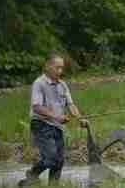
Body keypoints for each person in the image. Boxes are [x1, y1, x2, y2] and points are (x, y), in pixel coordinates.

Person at [18, 53, 88, 187]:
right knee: (50, 159)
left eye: (62, 68)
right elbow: (37, 107)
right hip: (41, 125)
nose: (60, 71)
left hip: (57, 126)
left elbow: (71, 105)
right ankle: (32, 175)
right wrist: (57, 116)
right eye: (57, 68)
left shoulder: (62, 85)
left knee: (59, 161)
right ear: (47, 66)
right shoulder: (39, 83)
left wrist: (80, 119)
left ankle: (53, 185)